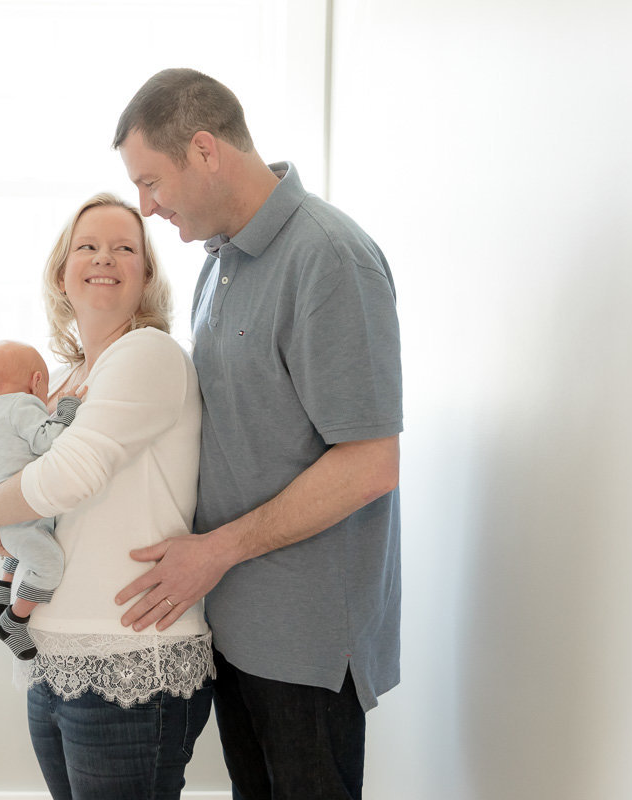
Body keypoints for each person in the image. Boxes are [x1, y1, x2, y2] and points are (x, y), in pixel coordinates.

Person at [110, 68, 403, 800]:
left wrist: (216, 551)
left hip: (304, 642)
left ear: (205, 151)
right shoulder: (220, 264)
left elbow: (370, 463)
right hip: (236, 624)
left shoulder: (330, 258)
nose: (144, 208)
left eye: (151, 181)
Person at [0, 193, 214, 800]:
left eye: (126, 247)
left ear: (146, 275)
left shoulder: (147, 354)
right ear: (60, 271)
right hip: (55, 655)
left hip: (129, 651)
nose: (106, 258)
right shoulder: (64, 382)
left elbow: (67, 478)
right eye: (88, 246)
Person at [0, 339, 81, 660]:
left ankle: (4, 586)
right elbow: (46, 440)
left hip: (6, 516)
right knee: (48, 566)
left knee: (21, 548)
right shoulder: (23, 404)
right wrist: (65, 410)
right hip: (23, 513)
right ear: (37, 382)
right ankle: (15, 619)